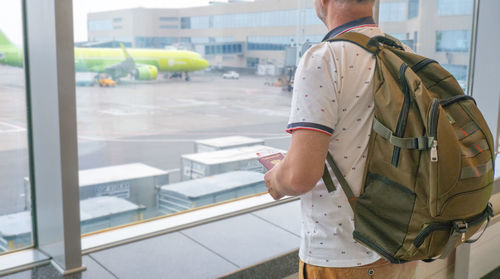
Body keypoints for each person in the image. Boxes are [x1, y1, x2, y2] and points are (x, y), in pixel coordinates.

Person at [264, 0, 418, 278]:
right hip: (402, 245)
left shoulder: (325, 58)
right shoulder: (404, 54)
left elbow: (300, 177)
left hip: (343, 254)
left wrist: (275, 179)